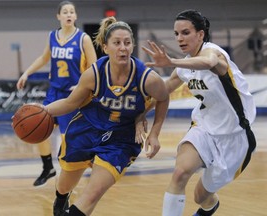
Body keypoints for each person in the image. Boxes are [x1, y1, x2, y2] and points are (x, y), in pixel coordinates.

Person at [44, 16, 169, 216]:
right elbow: (70, 103)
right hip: (86, 129)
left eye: (127, 43)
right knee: (65, 184)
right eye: (117, 43)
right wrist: (43, 111)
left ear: (133, 45)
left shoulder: (147, 78)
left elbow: (163, 97)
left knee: (93, 194)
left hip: (121, 138)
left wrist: (154, 133)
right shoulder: (93, 74)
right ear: (105, 46)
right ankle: (61, 198)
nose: (123, 48)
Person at [142, 9, 257, 216]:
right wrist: (140, 115)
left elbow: (208, 63)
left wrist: (171, 62)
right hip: (204, 127)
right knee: (179, 174)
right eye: (176, 34)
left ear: (201, 34)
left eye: (185, 33)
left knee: (201, 197)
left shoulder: (214, 52)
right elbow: (163, 92)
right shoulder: (184, 67)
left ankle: (210, 207)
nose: (179, 38)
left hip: (236, 136)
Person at [16, 1, 97, 187]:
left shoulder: (83, 38)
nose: (69, 14)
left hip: (73, 96)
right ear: (58, 16)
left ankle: (76, 174)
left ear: (76, 16)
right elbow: (44, 58)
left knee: (67, 140)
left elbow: (94, 66)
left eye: (72, 12)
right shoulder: (52, 36)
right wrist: (26, 72)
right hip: (54, 91)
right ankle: (47, 168)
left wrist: (81, 84)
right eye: (65, 12)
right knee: (38, 127)